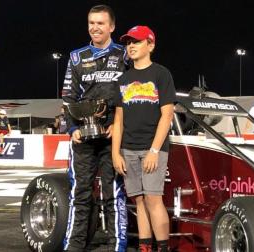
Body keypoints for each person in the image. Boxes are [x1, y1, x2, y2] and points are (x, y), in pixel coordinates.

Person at [61, 5, 128, 252]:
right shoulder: (77, 57)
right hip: (83, 136)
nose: (95, 28)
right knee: (80, 194)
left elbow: (131, 94)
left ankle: (117, 245)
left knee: (113, 193)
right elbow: (68, 96)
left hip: (114, 136)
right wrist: (72, 129)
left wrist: (118, 124)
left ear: (111, 27)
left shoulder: (124, 55)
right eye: (91, 23)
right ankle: (74, 246)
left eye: (100, 23)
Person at [112, 25, 176, 252]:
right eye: (128, 42)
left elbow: (167, 115)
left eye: (137, 41)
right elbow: (118, 120)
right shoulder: (123, 79)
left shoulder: (161, 74)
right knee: (139, 200)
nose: (131, 45)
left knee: (153, 199)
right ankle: (145, 246)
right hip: (128, 150)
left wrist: (154, 150)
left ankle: (163, 247)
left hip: (153, 149)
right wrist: (115, 153)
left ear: (151, 45)